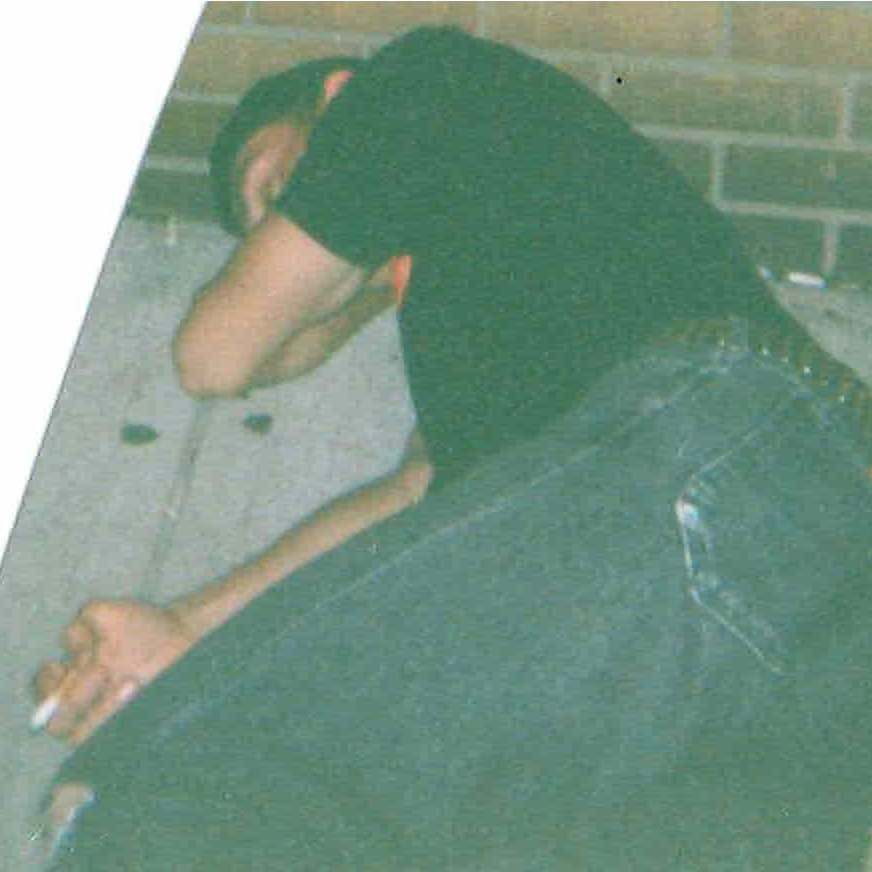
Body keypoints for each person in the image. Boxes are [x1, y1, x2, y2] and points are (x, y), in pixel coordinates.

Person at [31, 28, 872, 866]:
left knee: (165, 788)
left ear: (333, 99)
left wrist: (333, 296)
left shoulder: (415, 84)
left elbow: (214, 356)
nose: (273, 241)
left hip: (719, 447)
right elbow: (413, 508)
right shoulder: (494, 340)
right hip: (806, 587)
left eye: (278, 192)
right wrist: (185, 625)